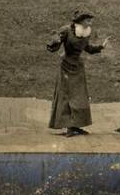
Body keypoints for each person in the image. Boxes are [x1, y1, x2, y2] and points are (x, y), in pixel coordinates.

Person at [46, 9, 111, 137]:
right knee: (67, 96)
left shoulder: (86, 32)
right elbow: (53, 47)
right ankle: (69, 126)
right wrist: (55, 41)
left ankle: (76, 126)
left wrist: (101, 46)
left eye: (91, 20)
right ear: (81, 20)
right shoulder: (66, 30)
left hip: (78, 68)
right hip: (66, 67)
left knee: (80, 97)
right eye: (88, 19)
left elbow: (88, 48)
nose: (90, 22)